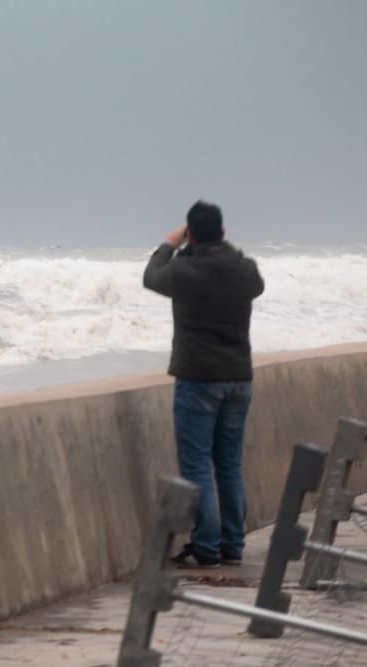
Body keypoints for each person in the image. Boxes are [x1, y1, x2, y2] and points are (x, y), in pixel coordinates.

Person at [143, 200, 265, 568]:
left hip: (198, 380)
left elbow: (151, 276)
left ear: (190, 234)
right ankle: (232, 545)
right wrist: (222, 246)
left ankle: (207, 547)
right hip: (238, 380)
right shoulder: (243, 270)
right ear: (224, 233)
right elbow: (255, 281)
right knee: (228, 464)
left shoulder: (184, 269)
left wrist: (169, 244)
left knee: (197, 466)